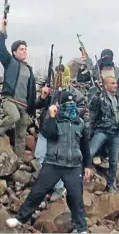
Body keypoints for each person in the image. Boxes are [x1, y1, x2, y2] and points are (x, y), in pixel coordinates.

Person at [6, 92, 92, 234]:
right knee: (37, 192)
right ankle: (20, 218)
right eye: (67, 104)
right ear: (60, 105)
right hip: (53, 163)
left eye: (73, 104)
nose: (70, 107)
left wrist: (87, 165)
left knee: (76, 198)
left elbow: (85, 146)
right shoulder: (54, 119)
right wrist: (52, 116)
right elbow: (47, 133)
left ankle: (81, 228)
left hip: (73, 166)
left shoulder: (80, 123)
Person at [34, 66, 87, 201]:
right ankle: (56, 185)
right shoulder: (50, 91)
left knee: (61, 161)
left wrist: (65, 112)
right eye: (57, 75)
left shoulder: (75, 94)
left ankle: (59, 187)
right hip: (47, 128)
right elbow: (37, 105)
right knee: (40, 156)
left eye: (61, 75)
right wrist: (42, 96)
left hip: (64, 132)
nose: (59, 77)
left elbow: (81, 110)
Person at [0, 19, 36, 157]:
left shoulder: (29, 69)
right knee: (14, 116)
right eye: (21, 49)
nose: (24, 51)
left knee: (21, 134)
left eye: (25, 49)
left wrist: (31, 108)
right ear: (14, 52)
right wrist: (2, 30)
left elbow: (32, 92)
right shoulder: (10, 62)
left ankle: (19, 161)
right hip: (9, 100)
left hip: (24, 105)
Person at [88, 76, 119, 193]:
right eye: (113, 83)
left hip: (115, 133)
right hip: (102, 131)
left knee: (114, 161)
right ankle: (83, 175)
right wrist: (98, 92)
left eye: (116, 83)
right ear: (106, 86)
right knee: (90, 152)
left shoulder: (117, 99)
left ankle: (111, 185)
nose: (116, 85)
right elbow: (91, 110)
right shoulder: (100, 97)